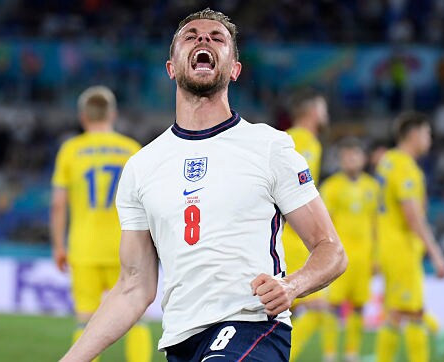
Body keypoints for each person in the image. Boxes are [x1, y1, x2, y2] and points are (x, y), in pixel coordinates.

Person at [61, 8, 347, 362]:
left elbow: (331, 249)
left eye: (217, 38)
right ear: (171, 67)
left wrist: (293, 285)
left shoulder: (270, 147)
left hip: (253, 326)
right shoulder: (141, 166)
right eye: (191, 35)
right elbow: (134, 286)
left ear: (233, 69)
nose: (203, 39)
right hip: (182, 340)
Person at [50, 85, 151, 362]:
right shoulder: (131, 149)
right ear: (113, 114)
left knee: (86, 322)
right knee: (136, 320)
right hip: (126, 247)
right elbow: (148, 203)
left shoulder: (70, 150)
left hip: (83, 247)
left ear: (83, 116)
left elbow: (58, 204)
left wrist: (59, 246)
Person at [374, 111, 444, 362]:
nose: (429, 138)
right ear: (414, 134)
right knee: (413, 312)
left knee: (395, 313)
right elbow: (413, 217)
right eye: (427, 133)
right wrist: (436, 253)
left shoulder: (387, 161)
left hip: (389, 246)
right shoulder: (405, 167)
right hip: (402, 249)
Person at [319, 138, 379, 362]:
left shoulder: (372, 187)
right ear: (341, 160)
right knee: (332, 306)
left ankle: (352, 353)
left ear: (363, 159)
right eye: (346, 156)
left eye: (355, 155)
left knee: (359, 306)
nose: (351, 159)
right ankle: (330, 354)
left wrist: (377, 257)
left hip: (363, 258)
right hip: (338, 258)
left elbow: (376, 225)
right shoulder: (331, 187)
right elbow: (324, 223)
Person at [282, 88, 330, 361]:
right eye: (323, 108)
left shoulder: (284, 137)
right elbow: (298, 191)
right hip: (295, 236)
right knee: (318, 307)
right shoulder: (307, 142)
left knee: (290, 309)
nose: (326, 114)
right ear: (312, 112)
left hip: (283, 234)